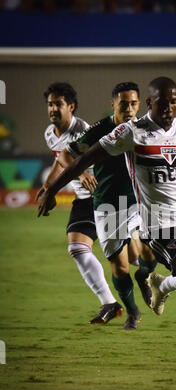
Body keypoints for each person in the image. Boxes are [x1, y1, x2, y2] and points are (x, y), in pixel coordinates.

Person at [37, 76, 176, 362]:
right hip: (157, 224)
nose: (169, 107)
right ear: (150, 103)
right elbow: (83, 160)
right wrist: (51, 190)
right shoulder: (131, 132)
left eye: (173, 101)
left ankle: (163, 285)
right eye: (162, 102)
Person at [55, 82, 157, 330]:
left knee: (149, 253)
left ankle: (144, 276)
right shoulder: (100, 129)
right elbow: (65, 156)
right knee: (121, 267)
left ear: (139, 104)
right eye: (124, 104)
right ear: (113, 104)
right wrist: (80, 175)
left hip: (136, 201)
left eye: (134, 103)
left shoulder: (144, 127)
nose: (130, 109)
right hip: (107, 206)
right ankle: (132, 312)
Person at [37, 82, 124, 325]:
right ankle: (109, 302)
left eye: (59, 104)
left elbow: (78, 158)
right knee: (77, 248)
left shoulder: (83, 130)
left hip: (104, 195)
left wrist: (82, 173)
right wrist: (49, 186)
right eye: (50, 104)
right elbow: (60, 159)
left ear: (71, 107)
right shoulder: (49, 133)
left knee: (127, 255)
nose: (53, 108)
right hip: (84, 200)